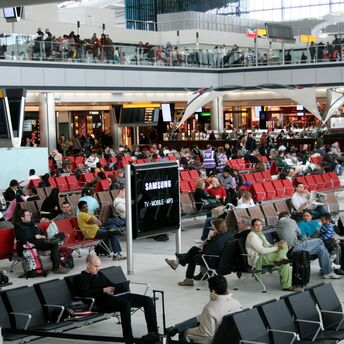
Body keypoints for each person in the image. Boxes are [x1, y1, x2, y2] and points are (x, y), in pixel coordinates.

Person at [76, 254, 158, 341]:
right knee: (125, 304)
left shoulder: (99, 274)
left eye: (99, 266)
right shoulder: (82, 278)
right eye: (95, 266)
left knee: (147, 300)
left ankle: (153, 333)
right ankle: (128, 338)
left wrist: (118, 287)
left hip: (115, 297)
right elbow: (84, 293)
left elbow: (110, 283)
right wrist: (103, 290)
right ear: (88, 264)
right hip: (102, 301)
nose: (98, 268)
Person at [166, 275, 242, 342]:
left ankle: (178, 329)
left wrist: (188, 331)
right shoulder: (237, 303)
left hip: (211, 339)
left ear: (213, 291)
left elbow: (206, 334)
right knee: (198, 318)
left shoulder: (210, 308)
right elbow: (202, 318)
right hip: (228, 337)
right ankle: (176, 328)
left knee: (183, 332)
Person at [165, 219, 233, 286]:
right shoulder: (228, 235)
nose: (213, 229)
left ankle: (185, 273)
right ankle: (179, 263)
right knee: (193, 250)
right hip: (221, 259)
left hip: (213, 260)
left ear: (218, 229)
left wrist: (209, 239)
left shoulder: (217, 241)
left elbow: (207, 251)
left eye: (214, 228)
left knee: (192, 256)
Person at [275, 212, 341, 279]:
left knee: (320, 249)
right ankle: (329, 262)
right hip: (295, 248)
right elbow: (299, 233)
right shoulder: (291, 221)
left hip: (290, 249)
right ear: (287, 216)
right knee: (319, 241)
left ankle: (327, 272)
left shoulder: (276, 224)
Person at [245, 218, 295, 291]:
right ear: (252, 226)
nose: (259, 227)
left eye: (260, 225)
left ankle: (280, 258)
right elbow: (261, 250)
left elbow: (268, 245)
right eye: (256, 225)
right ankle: (286, 286)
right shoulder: (252, 236)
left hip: (267, 254)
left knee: (285, 244)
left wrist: (278, 244)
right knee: (285, 263)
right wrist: (277, 247)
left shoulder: (260, 234)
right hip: (259, 258)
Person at [14, 208, 68, 274]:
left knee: (59, 236)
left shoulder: (32, 223)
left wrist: (43, 236)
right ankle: (56, 267)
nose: (30, 216)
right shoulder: (18, 227)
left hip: (40, 241)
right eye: (28, 215)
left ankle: (54, 240)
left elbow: (41, 233)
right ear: (22, 218)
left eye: (30, 214)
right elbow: (21, 239)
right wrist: (35, 237)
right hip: (31, 244)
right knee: (54, 243)